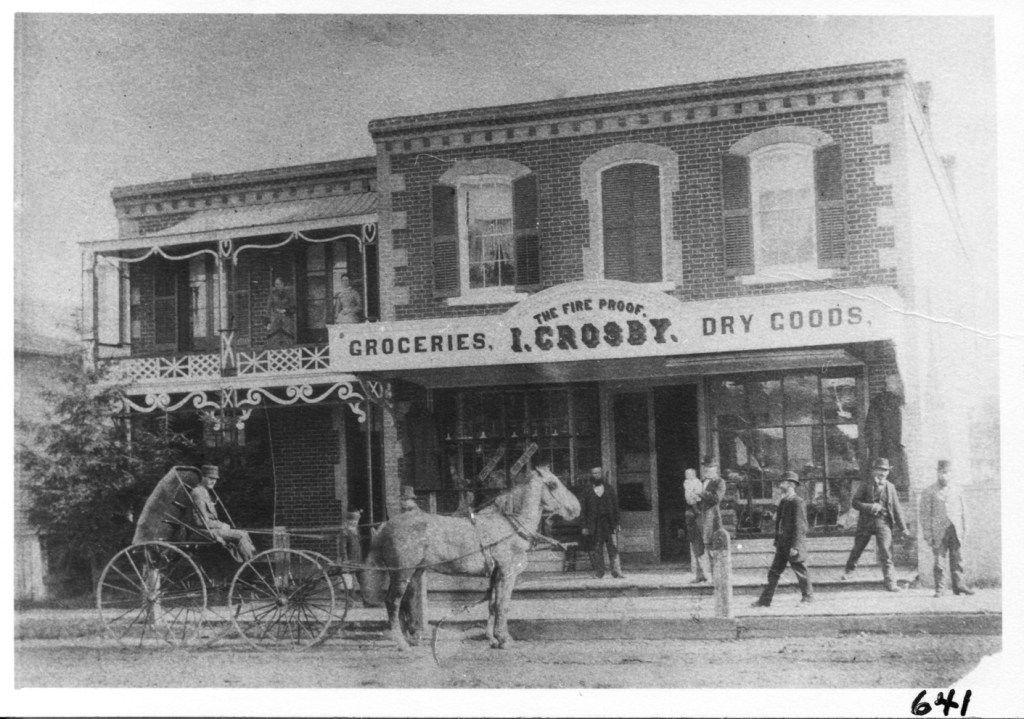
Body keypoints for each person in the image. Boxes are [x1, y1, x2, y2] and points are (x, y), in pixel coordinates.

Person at [841, 457, 907, 591]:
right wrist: (870, 507)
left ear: (888, 472)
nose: (882, 473)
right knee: (858, 548)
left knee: (885, 551)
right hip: (866, 522)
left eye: (885, 470)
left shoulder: (890, 487)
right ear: (874, 471)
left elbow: (897, 508)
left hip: (883, 523)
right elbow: (855, 502)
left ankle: (890, 582)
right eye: (879, 470)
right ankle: (849, 569)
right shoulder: (866, 485)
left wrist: (903, 528)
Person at [752, 471, 813, 607]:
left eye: (783, 482)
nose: (780, 485)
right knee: (773, 572)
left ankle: (808, 598)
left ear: (791, 484)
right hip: (782, 544)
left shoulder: (797, 502)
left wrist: (795, 547)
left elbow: (801, 526)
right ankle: (765, 600)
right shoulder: (785, 501)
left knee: (801, 571)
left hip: (792, 545)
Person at [920, 459, 974, 597]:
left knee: (958, 559)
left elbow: (964, 511)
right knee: (939, 561)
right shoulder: (929, 491)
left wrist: (965, 529)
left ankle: (959, 586)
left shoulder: (958, 490)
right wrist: (928, 534)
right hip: (938, 531)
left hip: (955, 530)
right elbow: (925, 516)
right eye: (942, 473)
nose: (944, 476)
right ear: (937, 473)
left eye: (947, 473)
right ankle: (940, 588)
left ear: (951, 474)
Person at [190, 465, 256, 562]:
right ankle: (250, 565)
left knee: (244, 533)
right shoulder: (197, 493)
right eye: (210, 478)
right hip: (202, 532)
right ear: (203, 477)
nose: (213, 481)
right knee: (240, 536)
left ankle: (249, 558)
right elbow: (201, 522)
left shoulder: (205, 492)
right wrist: (221, 525)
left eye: (215, 479)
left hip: (210, 530)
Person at [579, 466, 624, 579]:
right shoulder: (587, 491)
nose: (596, 475)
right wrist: (584, 526)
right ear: (591, 475)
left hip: (609, 523)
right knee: (597, 548)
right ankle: (599, 573)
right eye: (594, 473)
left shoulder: (609, 488)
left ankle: (616, 572)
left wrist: (617, 523)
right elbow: (583, 510)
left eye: (598, 473)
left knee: (613, 547)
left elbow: (615, 507)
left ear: (602, 474)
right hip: (595, 524)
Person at [699, 456, 726, 576]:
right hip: (700, 517)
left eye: (709, 467)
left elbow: (716, 499)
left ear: (715, 468)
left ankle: (716, 576)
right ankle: (702, 576)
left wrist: (701, 493)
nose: (706, 469)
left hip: (712, 518)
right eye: (705, 467)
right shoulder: (700, 482)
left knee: (712, 547)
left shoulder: (719, 482)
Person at [682, 468, 709, 583]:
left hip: (696, 511)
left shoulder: (697, 484)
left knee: (700, 543)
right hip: (691, 512)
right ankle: (700, 574)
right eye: (686, 474)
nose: (687, 476)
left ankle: (705, 573)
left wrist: (696, 510)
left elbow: (695, 498)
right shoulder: (687, 483)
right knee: (695, 543)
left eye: (689, 474)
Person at [266, 276, 296, 347]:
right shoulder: (272, 296)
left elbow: (294, 308)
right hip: (276, 321)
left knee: (287, 340)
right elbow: (268, 309)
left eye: (279, 284)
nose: (277, 286)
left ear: (283, 284)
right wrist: (268, 322)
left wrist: (285, 310)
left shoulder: (289, 295)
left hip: (287, 321)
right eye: (276, 284)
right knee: (275, 340)